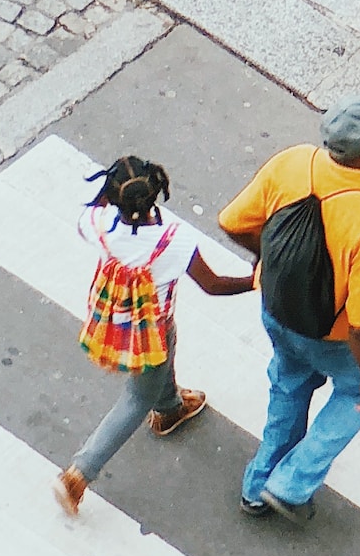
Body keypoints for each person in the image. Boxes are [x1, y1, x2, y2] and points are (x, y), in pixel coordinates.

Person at [218, 90, 360, 523]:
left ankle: (256, 487)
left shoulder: (292, 161)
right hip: (331, 336)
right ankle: (290, 484)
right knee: (356, 393)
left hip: (277, 310)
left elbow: (233, 222)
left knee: (289, 384)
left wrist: (268, 262)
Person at [55, 155, 254, 516]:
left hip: (115, 320)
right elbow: (214, 284)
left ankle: (170, 409)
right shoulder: (173, 240)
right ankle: (79, 474)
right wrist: (257, 279)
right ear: (156, 194)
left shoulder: (97, 224)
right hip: (150, 332)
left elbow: (95, 208)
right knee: (136, 398)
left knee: (160, 370)